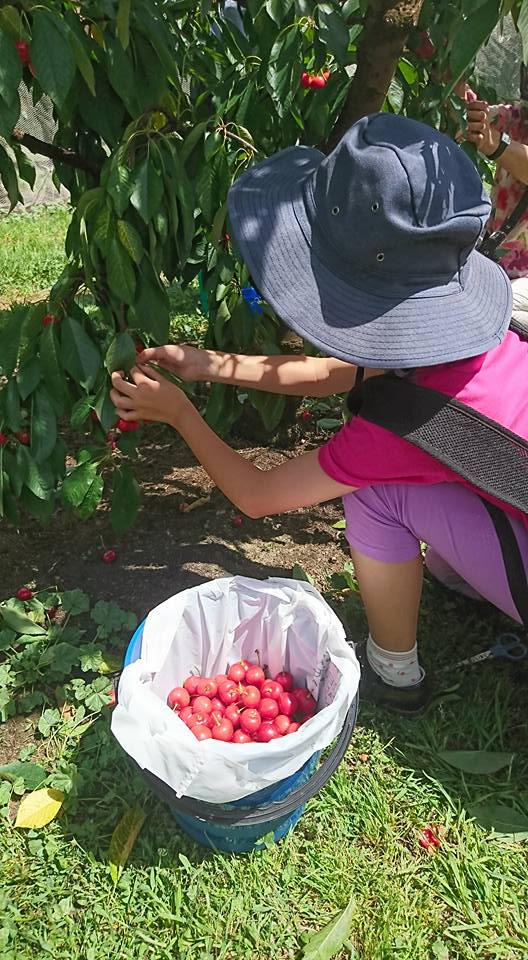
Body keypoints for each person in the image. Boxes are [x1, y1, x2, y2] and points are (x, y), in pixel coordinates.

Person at [111, 113, 528, 713]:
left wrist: (179, 413)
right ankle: (464, 576)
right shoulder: (475, 331)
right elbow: (346, 372)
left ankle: (394, 671)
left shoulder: (402, 430)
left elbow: (257, 495)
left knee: (374, 492)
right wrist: (214, 365)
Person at [464, 65, 528, 327]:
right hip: (494, 266)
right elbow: (466, 117)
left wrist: (494, 143)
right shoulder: (515, 118)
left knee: (484, 313)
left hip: (521, 284)